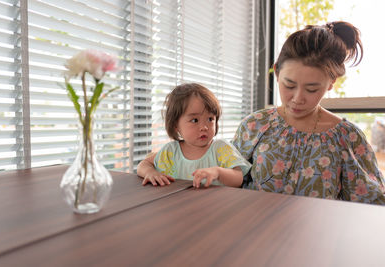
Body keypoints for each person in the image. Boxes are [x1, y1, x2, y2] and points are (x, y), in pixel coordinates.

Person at [232, 21, 385, 205]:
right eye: (289, 85)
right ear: (277, 73)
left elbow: (373, 205)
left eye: (311, 89)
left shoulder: (347, 138)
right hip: (254, 228)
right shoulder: (254, 125)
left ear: (331, 83)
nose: (297, 98)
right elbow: (227, 182)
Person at [137, 83, 251, 188]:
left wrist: (218, 172)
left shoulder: (221, 148)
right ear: (175, 125)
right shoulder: (170, 151)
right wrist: (150, 173)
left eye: (210, 119)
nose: (204, 127)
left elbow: (238, 178)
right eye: (195, 120)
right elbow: (144, 164)